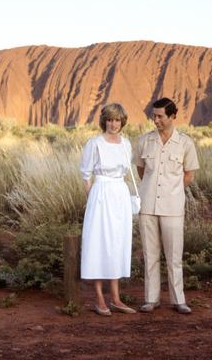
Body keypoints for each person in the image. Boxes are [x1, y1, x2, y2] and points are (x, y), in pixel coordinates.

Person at [133, 97, 199, 314]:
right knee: (150, 254)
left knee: (173, 255)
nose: (156, 120)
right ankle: (151, 299)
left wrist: (172, 190)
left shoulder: (186, 143)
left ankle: (178, 300)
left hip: (172, 206)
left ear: (172, 116)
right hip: (148, 205)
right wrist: (152, 188)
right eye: (154, 116)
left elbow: (189, 175)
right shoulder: (144, 141)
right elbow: (141, 171)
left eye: (160, 116)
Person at [80, 103, 137, 316]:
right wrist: (93, 197)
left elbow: (127, 170)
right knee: (98, 242)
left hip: (120, 194)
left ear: (123, 121)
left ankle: (116, 298)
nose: (114, 124)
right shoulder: (94, 143)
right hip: (101, 193)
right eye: (110, 120)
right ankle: (100, 298)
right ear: (104, 120)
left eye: (117, 120)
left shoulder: (126, 143)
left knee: (117, 243)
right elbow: (86, 175)